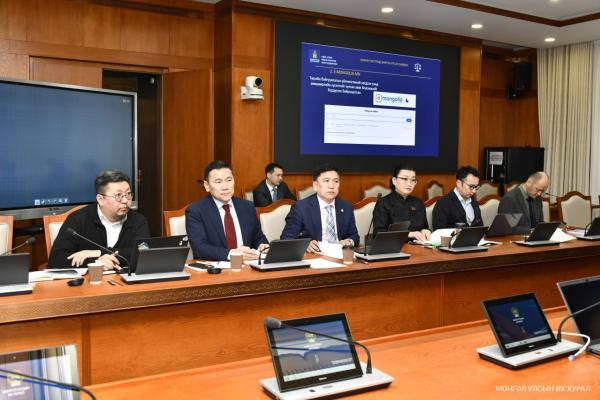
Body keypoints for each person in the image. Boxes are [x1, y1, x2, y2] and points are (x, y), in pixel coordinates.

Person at [48, 170, 150, 270]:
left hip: (126, 280)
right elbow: (56, 260)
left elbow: (144, 254)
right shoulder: (78, 219)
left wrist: (98, 252)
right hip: (90, 280)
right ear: (100, 199)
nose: (125, 200)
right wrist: (96, 262)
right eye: (118, 196)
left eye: (128, 194)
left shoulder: (138, 220)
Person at [186, 160, 268, 261]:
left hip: (248, 265)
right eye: (218, 182)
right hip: (217, 267)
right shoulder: (196, 211)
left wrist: (262, 246)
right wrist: (231, 254)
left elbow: (258, 237)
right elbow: (200, 248)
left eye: (229, 180)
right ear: (207, 186)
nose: (225, 187)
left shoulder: (247, 207)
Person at [281, 164, 359, 253]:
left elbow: (354, 236)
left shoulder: (346, 207)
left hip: (341, 255)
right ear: (315, 185)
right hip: (315, 256)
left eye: (336, 181)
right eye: (326, 181)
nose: (331, 186)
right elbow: (286, 239)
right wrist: (305, 245)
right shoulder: (301, 208)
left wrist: (349, 241)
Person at [372, 164, 431, 241]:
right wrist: (408, 234)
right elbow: (378, 234)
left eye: (413, 180)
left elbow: (424, 226)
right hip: (394, 246)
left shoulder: (418, 202)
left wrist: (425, 230)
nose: (409, 184)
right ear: (394, 181)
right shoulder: (383, 203)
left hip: (418, 245)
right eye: (404, 179)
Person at [432, 166, 484, 230]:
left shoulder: (474, 202)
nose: (474, 191)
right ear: (458, 183)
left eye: (476, 187)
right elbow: (439, 231)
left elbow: (480, 227)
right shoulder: (443, 203)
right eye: (471, 186)